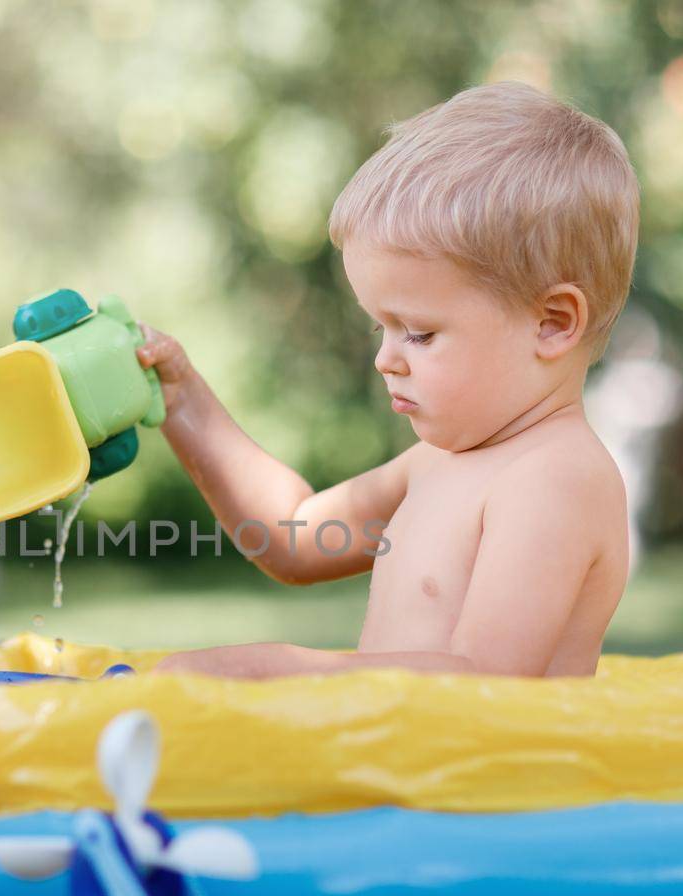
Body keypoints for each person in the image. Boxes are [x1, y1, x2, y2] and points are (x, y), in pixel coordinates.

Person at [142, 82, 637, 679]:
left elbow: (488, 683)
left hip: (491, 773)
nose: (385, 359)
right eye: (381, 327)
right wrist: (182, 399)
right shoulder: (436, 462)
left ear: (553, 323)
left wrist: (282, 669)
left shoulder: (556, 479)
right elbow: (293, 538)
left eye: (420, 334)